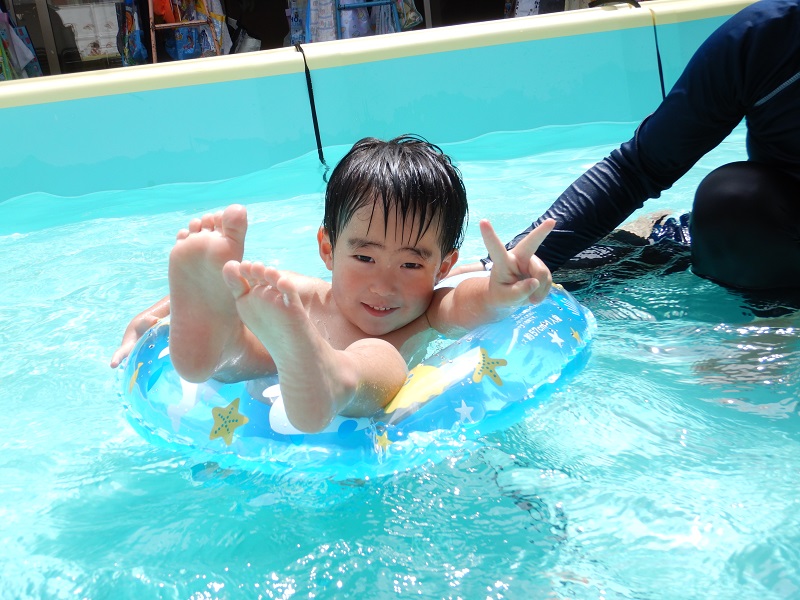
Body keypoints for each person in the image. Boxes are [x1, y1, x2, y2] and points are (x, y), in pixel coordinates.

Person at [110, 135, 555, 433]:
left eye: (411, 265)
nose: (384, 286)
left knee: (379, 356)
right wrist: (152, 319)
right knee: (251, 322)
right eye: (364, 257)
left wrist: (500, 291)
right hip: (276, 374)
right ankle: (222, 342)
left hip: (357, 384)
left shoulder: (433, 309)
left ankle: (330, 375)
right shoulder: (294, 295)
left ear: (444, 266)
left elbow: (468, 303)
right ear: (328, 249)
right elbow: (228, 286)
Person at [458, 0, 800, 291]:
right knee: (735, 200)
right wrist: (505, 264)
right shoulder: (768, 38)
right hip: (780, 238)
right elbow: (638, 167)